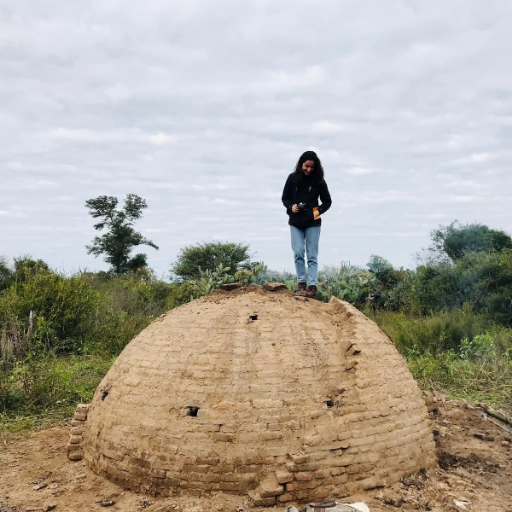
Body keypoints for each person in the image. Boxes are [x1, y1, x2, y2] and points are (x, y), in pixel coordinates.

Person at [282, 150, 332, 298]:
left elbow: (327, 201)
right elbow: (285, 198)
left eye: (311, 167)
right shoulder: (292, 178)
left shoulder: (319, 181)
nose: (309, 169)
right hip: (295, 222)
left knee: (312, 255)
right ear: (301, 164)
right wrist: (291, 206)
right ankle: (301, 283)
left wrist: (316, 212)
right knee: (298, 252)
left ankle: (312, 286)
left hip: (313, 224)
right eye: (306, 166)